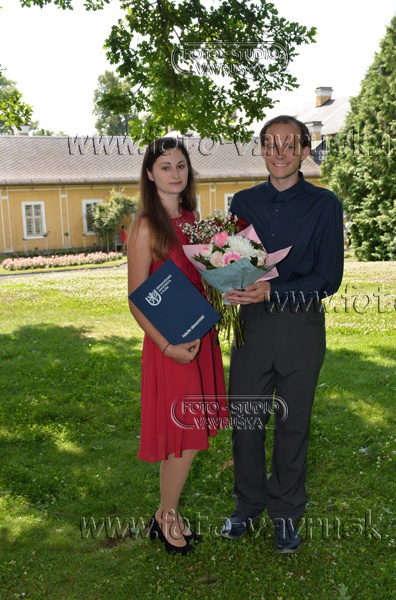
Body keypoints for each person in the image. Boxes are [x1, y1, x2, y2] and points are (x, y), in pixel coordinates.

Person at [221, 116, 344, 553]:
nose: (280, 153)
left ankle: (287, 516)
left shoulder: (325, 205)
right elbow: (233, 261)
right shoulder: (243, 202)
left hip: (301, 327)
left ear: (305, 151)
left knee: (293, 426)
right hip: (252, 327)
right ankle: (247, 506)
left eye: (290, 145)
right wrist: (227, 283)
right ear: (261, 149)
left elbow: (329, 278)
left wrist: (275, 291)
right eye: (271, 144)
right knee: (246, 422)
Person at [127, 137, 228, 555]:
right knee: (184, 436)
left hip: (201, 337)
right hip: (169, 344)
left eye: (181, 165)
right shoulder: (145, 226)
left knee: (191, 431)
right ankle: (167, 518)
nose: (175, 173)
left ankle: (164, 515)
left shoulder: (194, 220)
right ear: (150, 174)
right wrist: (167, 346)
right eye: (165, 166)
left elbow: (205, 278)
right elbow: (137, 299)